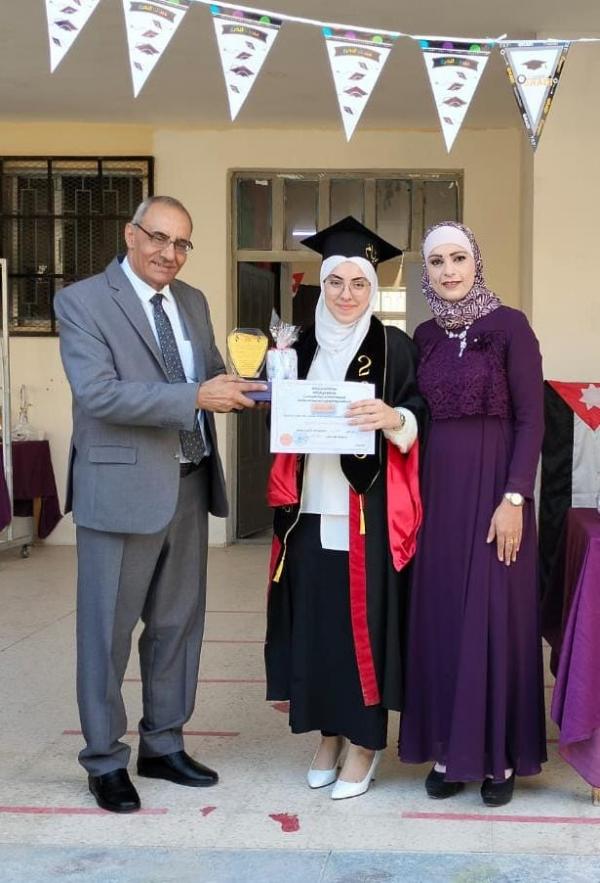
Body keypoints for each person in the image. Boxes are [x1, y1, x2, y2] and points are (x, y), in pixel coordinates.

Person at [54, 195, 265, 813]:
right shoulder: (83, 302)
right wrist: (194, 397)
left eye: (181, 244)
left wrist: (272, 383)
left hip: (189, 482)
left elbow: (214, 376)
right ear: (131, 235)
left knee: (177, 625)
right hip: (120, 490)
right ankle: (103, 760)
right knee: (107, 634)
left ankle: (164, 744)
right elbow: (99, 394)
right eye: (158, 238)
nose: (169, 254)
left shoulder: (192, 301)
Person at [265, 216, 426, 800]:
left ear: (373, 289)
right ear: (322, 284)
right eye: (336, 282)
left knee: (364, 625)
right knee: (316, 623)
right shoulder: (295, 346)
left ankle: (364, 741)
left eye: (359, 283)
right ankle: (327, 735)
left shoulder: (394, 347)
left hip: (367, 511)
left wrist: (395, 418)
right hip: (306, 509)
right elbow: (278, 416)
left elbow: (419, 412)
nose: (346, 294)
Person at [399, 221, 546, 807]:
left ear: (476, 262)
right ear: (427, 271)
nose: (449, 270)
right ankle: (448, 751)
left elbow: (532, 419)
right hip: (438, 494)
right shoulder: (424, 335)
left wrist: (515, 498)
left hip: (497, 494)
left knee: (495, 619)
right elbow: (413, 415)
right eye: (437, 261)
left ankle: (498, 759)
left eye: (458, 258)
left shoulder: (511, 326)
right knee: (443, 617)